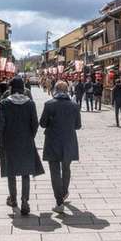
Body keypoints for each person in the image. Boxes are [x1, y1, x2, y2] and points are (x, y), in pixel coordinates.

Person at [0, 77, 44, 215]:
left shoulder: (4, 104)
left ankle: (13, 199)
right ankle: (25, 201)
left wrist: (1, 140)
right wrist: (30, 136)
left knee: (11, 172)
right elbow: (35, 124)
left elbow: (1, 125)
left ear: (11, 89)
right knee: (25, 172)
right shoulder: (30, 104)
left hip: (9, 141)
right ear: (23, 88)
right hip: (26, 141)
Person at [40, 81, 81, 214]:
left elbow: (42, 124)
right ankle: (63, 193)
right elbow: (78, 125)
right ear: (67, 90)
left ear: (55, 90)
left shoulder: (49, 105)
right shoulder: (74, 106)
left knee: (55, 172)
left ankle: (59, 201)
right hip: (69, 141)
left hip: (53, 141)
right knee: (66, 168)